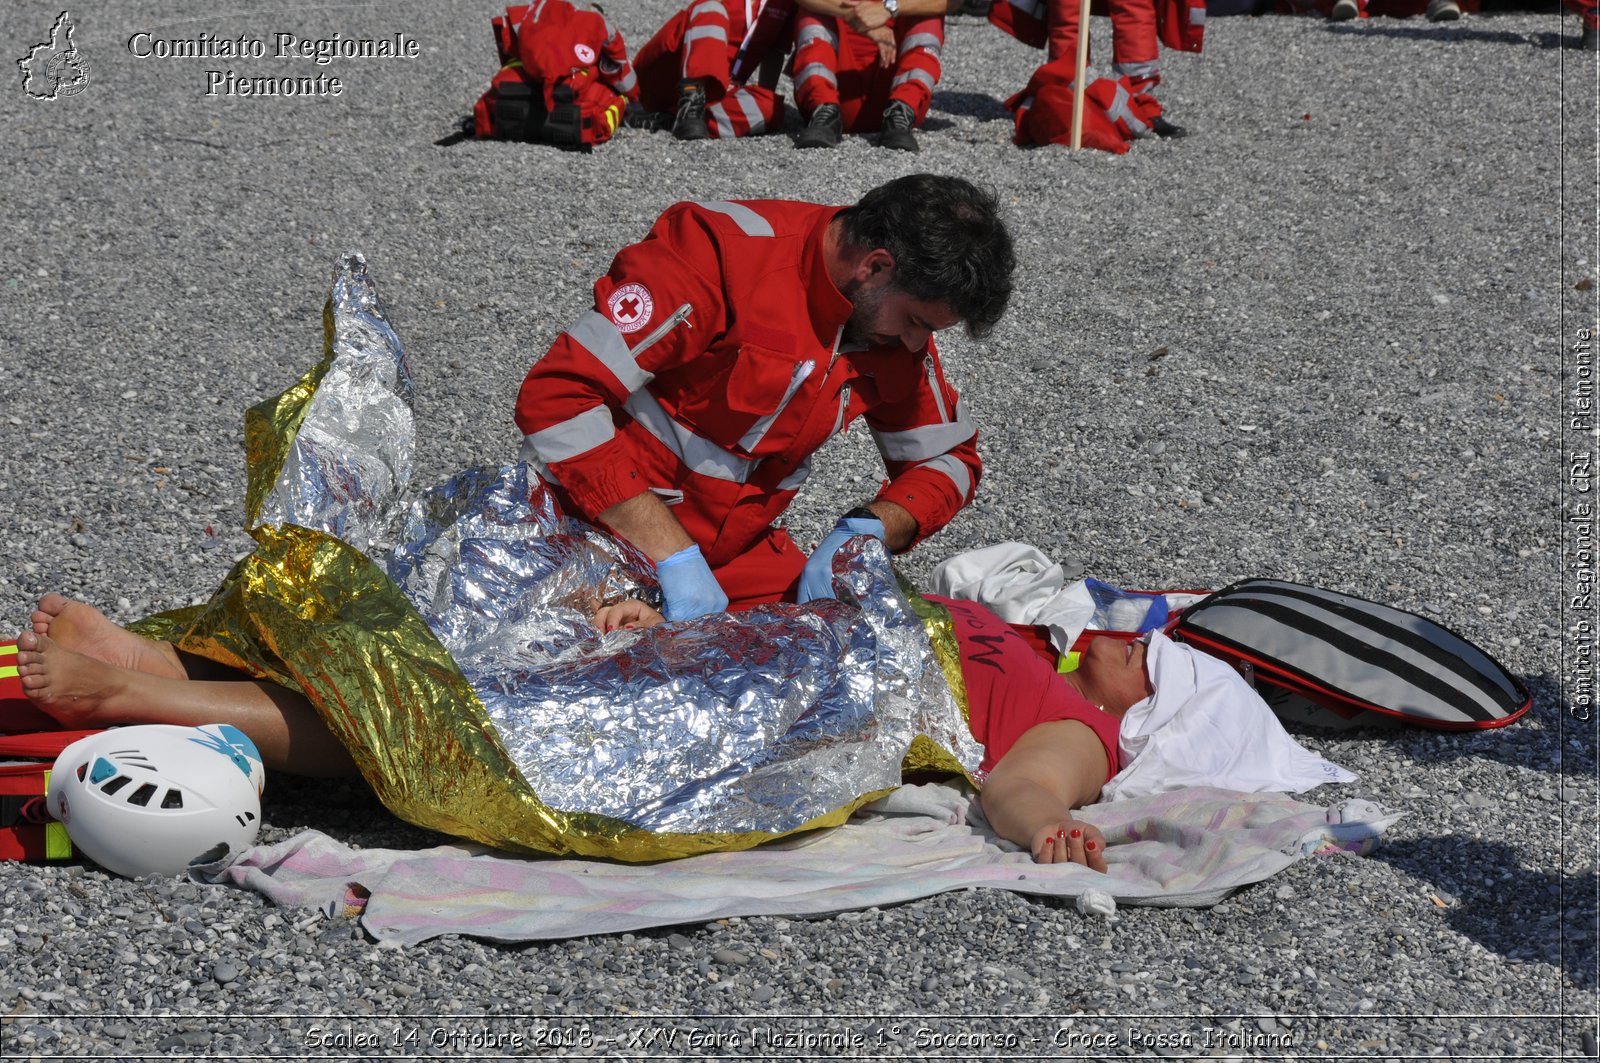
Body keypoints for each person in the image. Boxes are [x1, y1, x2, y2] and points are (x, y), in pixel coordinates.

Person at [13, 589, 1141, 869]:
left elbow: (1026, 785)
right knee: (468, 637)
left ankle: (136, 697)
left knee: (495, 735)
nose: (1131, 633)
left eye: (1152, 648)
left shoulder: (1077, 713)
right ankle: (170, 662)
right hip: (761, 642)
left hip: (819, 693)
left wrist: (1050, 829)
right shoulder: (989, 616)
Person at [512, 174, 1015, 621]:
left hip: (729, 558)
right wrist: (672, 554)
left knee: (840, 669)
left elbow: (949, 459)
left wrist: (870, 529)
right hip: (588, 529)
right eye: (917, 324)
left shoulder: (887, 323)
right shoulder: (720, 255)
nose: (915, 346)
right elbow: (558, 397)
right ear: (875, 266)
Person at [790, 0, 962, 151]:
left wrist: (890, 7)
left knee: (928, 13)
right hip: (837, 97)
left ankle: (902, 109)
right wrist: (852, 15)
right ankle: (823, 109)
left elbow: (953, 2)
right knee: (813, 12)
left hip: (894, 102)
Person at [632, 0, 794, 140]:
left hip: (713, 91)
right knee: (712, 10)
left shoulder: (784, 4)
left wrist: (763, 94)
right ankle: (691, 97)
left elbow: (774, 52)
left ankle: (673, 118)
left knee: (772, 109)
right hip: (666, 72)